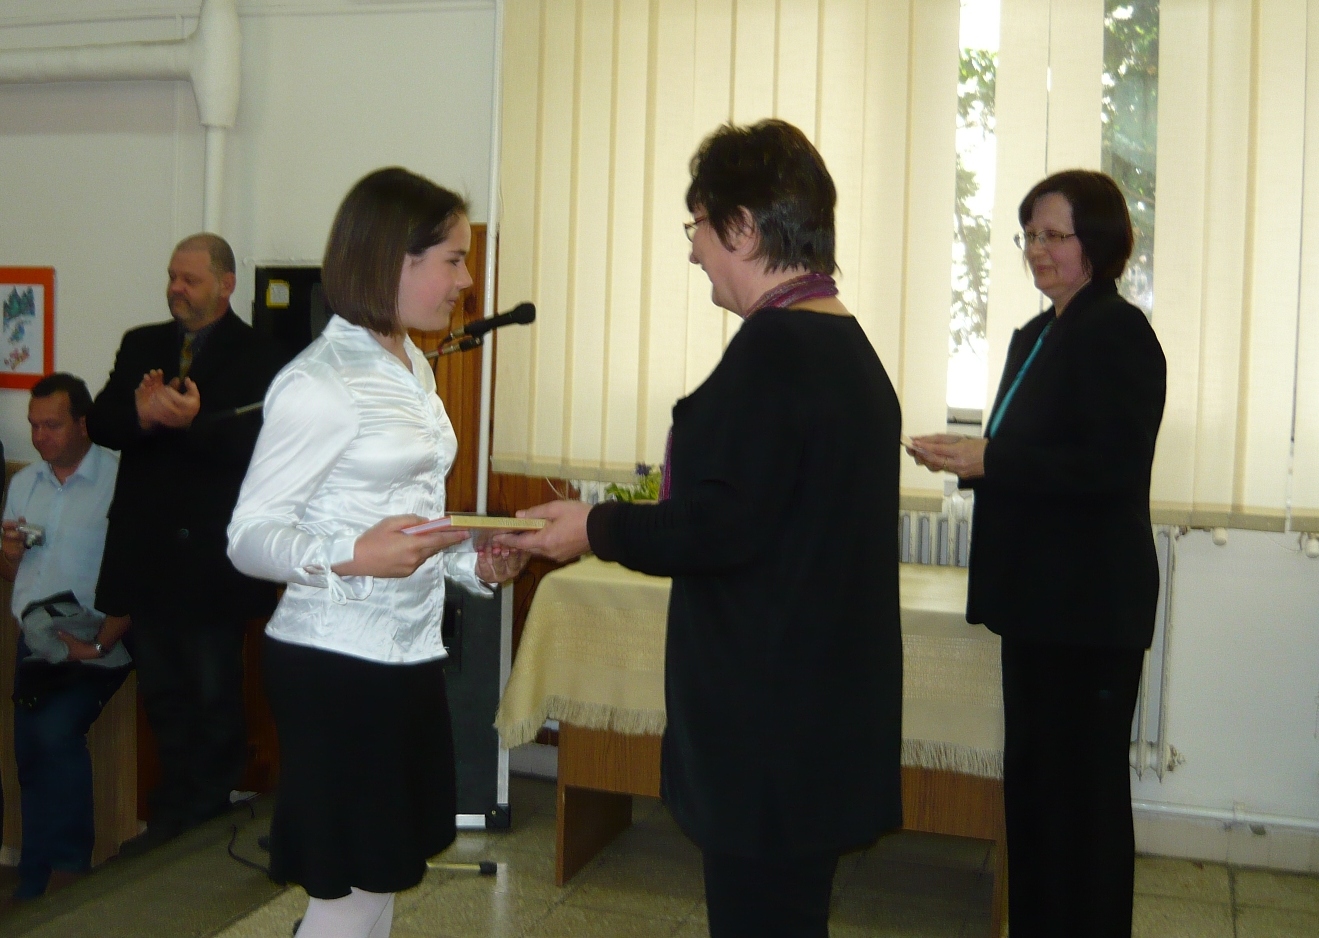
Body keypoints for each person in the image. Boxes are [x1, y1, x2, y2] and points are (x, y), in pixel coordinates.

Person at [499, 120, 904, 938]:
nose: (691, 252)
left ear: (742, 228)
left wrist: (593, 527)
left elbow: (717, 530)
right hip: (819, 713)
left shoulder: (774, 351)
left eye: (697, 226)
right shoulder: (842, 343)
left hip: (768, 727)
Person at [226, 167, 527, 938]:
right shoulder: (319, 383)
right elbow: (249, 537)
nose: (465, 280)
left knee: (382, 877)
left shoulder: (410, 365)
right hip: (335, 662)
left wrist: (471, 562)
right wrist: (352, 554)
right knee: (349, 892)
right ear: (392, 259)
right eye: (452, 260)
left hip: (404, 652)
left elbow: (407, 525)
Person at [908, 169, 1166, 937]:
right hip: (1035, 603)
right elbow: (1029, 454)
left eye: (1054, 235)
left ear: (1099, 241)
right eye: (1028, 235)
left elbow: (1110, 466)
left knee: (1081, 805)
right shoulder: (1036, 334)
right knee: (1033, 794)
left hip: (1088, 608)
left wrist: (990, 458)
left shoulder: (1116, 332)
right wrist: (968, 458)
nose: (1036, 249)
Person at [87, 233, 285, 854]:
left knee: (213, 693)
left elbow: (258, 449)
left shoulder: (263, 355)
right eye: (172, 276)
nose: (176, 289)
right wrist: (143, 416)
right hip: (147, 556)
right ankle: (172, 814)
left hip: (212, 563)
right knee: (163, 694)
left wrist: (191, 424)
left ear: (226, 284)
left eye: (190, 279)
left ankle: (208, 814)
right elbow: (101, 422)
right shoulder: (141, 344)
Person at [0, 374, 130, 899]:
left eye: (51, 425)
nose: (39, 437)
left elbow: (141, 574)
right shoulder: (24, 484)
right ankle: (34, 880)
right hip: (36, 639)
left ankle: (70, 870)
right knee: (28, 752)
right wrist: (10, 557)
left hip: (97, 637)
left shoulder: (119, 480)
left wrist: (99, 644)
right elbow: (12, 574)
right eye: (33, 426)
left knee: (54, 734)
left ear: (82, 423)